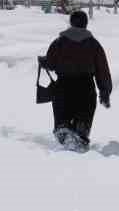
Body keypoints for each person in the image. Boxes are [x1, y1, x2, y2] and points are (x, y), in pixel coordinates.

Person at [40, 9, 112, 150]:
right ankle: (80, 140)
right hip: (85, 89)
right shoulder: (94, 44)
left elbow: (51, 63)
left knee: (62, 125)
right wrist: (105, 91)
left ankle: (65, 144)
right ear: (86, 24)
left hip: (63, 88)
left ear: (71, 23)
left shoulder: (59, 42)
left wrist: (44, 61)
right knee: (82, 124)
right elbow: (102, 70)